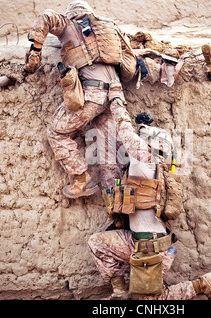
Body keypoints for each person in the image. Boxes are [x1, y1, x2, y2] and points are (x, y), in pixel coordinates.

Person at [88, 104, 211, 300]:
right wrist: (143, 126)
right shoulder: (157, 169)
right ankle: (119, 292)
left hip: (151, 247)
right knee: (97, 244)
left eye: (143, 140)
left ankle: (202, 284)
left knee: (151, 301)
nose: (138, 143)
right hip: (135, 240)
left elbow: (125, 130)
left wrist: (116, 99)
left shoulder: (145, 161)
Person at [24, 0, 143, 198]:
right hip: (115, 95)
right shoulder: (109, 29)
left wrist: (35, 51)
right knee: (108, 150)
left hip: (93, 95)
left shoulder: (69, 25)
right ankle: (115, 196)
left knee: (57, 132)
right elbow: (129, 64)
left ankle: (82, 180)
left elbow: (45, 16)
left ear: (71, 15)